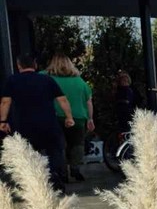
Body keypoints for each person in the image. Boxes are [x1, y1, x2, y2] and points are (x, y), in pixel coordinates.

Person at [0, 53, 74, 189]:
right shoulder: (47, 80)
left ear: (18, 65)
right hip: (48, 123)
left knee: (27, 152)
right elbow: (62, 100)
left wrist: (3, 121)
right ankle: (54, 174)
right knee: (54, 149)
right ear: (35, 65)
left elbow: (5, 102)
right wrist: (69, 117)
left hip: (23, 124)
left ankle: (32, 182)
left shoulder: (12, 81)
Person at [45, 54, 93, 182]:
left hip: (56, 117)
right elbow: (88, 101)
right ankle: (75, 168)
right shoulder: (80, 81)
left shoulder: (47, 78)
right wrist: (90, 118)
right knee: (77, 144)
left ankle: (63, 172)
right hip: (78, 117)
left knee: (60, 146)